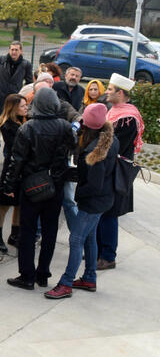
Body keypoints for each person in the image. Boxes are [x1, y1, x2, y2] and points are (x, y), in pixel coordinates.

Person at [5, 88, 76, 290]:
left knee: (27, 231)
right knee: (50, 230)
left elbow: (16, 160)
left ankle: (27, 275)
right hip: (55, 185)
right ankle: (43, 274)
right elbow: (71, 151)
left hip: (32, 186)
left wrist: (10, 185)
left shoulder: (27, 128)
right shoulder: (64, 127)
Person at [45, 103, 117, 299]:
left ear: (88, 125)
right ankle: (89, 277)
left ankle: (66, 283)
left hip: (93, 202)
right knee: (89, 237)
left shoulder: (93, 153)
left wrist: (78, 194)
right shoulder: (111, 139)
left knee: (76, 239)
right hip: (104, 199)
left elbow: (93, 185)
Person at [97, 73, 144, 271]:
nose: (106, 92)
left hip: (115, 172)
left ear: (121, 93)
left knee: (109, 213)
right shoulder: (115, 112)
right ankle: (98, 252)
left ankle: (108, 256)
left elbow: (114, 146)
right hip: (108, 169)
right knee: (101, 212)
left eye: (110, 89)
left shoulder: (127, 118)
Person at [0, 94, 27, 252]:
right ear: (14, 108)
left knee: (19, 203)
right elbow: (16, 148)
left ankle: (15, 234)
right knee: (4, 204)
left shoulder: (23, 121)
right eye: (23, 106)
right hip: (12, 167)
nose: (26, 108)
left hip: (23, 168)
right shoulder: (9, 125)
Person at [0, 41, 34, 109]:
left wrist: (22, 93)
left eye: (16, 50)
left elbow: (29, 82)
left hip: (15, 97)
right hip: (0, 95)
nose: (14, 52)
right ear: (9, 50)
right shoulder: (1, 60)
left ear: (21, 51)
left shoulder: (26, 64)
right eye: (12, 49)